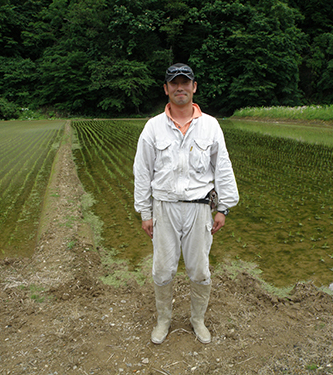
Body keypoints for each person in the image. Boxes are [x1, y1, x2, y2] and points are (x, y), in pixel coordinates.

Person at [133, 63, 239, 344]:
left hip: (199, 208)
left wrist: (223, 208)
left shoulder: (211, 125)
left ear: (194, 87)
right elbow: (142, 171)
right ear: (166, 89)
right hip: (164, 208)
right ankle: (163, 321)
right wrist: (145, 211)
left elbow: (223, 167)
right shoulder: (153, 127)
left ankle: (198, 320)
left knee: (199, 269)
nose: (180, 87)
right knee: (163, 269)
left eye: (185, 82)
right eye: (174, 83)